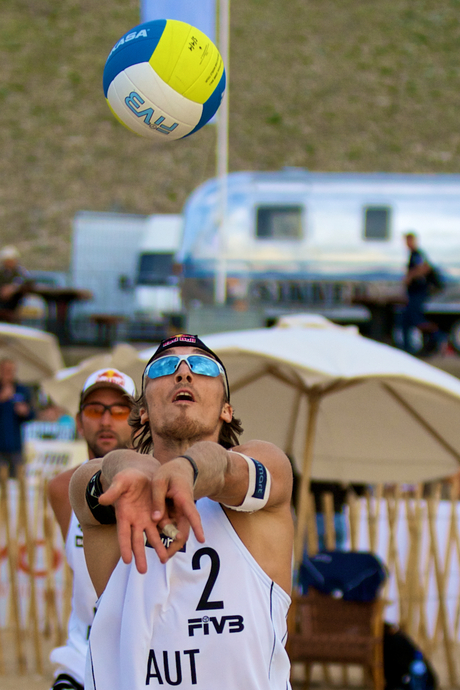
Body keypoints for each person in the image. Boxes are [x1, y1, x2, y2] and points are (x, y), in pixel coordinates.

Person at [69, 333, 294, 690]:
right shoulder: (120, 490)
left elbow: (223, 467)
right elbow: (86, 482)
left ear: (226, 408)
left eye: (203, 366)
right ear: (141, 410)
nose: (184, 373)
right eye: (164, 366)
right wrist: (126, 465)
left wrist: (188, 471)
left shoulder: (264, 472)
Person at [48, 368, 137, 690]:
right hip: (80, 654)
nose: (106, 420)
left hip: (139, 653)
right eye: (95, 410)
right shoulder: (60, 489)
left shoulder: (158, 485)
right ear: (78, 420)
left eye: (120, 411)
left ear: (138, 421)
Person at [401, 232, 441, 354]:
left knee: (416, 319)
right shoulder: (412, 254)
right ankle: (408, 348)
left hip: (419, 292)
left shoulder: (417, 254)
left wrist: (410, 276)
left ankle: (438, 336)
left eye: (409, 240)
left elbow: (424, 268)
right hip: (413, 292)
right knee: (406, 320)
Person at [0, 357, 35, 477]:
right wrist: (2, 398)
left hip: (16, 446)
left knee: (17, 479)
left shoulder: (22, 390)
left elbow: (32, 414)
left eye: (11, 370)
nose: (8, 374)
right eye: (5, 370)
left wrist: (25, 412)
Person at [0, 245, 32, 323]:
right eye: (7, 261)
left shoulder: (20, 272)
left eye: (11, 260)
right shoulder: (2, 272)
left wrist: (13, 287)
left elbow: (26, 280)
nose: (9, 263)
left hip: (15, 303)